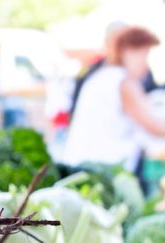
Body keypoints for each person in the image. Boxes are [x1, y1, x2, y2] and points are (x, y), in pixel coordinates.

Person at [63, 27, 165, 174]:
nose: (146, 64)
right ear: (127, 51)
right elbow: (153, 126)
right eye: (144, 55)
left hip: (82, 166)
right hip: (102, 172)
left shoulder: (102, 75)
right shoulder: (123, 82)